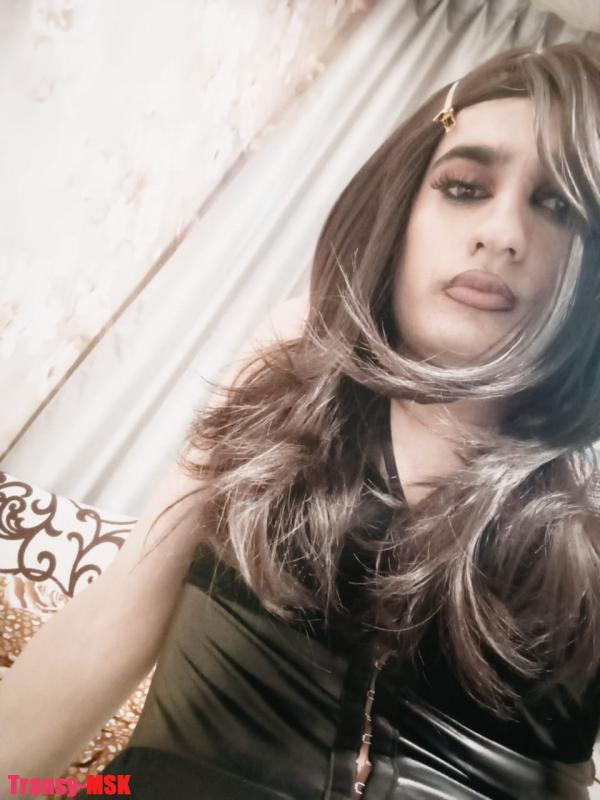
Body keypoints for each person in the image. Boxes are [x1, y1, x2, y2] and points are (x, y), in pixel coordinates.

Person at [2, 41, 600, 800]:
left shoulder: (587, 515)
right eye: (462, 187)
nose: (502, 232)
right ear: (403, 207)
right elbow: (109, 625)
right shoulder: (297, 359)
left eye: (558, 205)